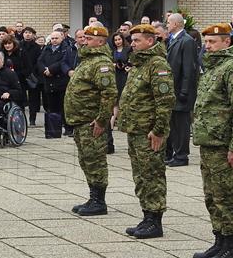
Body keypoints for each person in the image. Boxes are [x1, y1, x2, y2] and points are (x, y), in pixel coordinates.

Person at [190, 23, 233, 258]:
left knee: (226, 194)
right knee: (211, 194)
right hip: (208, 141)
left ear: (227, 42)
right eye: (206, 42)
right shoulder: (214, 67)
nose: (207, 46)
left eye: (212, 42)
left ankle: (231, 246)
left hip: (223, 143)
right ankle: (219, 239)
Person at [119, 24, 175, 238]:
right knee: (141, 175)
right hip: (136, 129)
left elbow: (164, 101)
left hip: (149, 131)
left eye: (137, 41)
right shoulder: (139, 63)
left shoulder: (157, 64)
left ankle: (155, 220)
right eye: (131, 41)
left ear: (150, 41)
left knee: (152, 174)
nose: (132, 44)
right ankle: (147, 215)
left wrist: (159, 130)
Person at [64, 24, 117, 215]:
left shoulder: (101, 63)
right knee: (86, 159)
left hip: (91, 121)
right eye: (83, 37)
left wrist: (102, 120)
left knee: (95, 160)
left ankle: (99, 201)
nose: (83, 40)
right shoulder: (87, 60)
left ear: (100, 41)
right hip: (81, 121)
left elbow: (108, 93)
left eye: (88, 38)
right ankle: (93, 196)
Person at [164, 12, 199, 167]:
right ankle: (176, 153)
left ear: (176, 24)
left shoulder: (187, 41)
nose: (166, 25)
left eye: (168, 23)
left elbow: (189, 68)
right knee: (174, 125)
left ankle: (182, 155)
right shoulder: (174, 40)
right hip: (174, 89)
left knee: (182, 125)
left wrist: (185, 90)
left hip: (181, 90)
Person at [36, 31, 72, 138]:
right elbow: (40, 61)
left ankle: (68, 128)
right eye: (52, 38)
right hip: (49, 81)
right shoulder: (47, 48)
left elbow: (63, 62)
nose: (54, 40)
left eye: (56, 38)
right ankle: (54, 130)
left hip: (61, 81)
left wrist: (51, 69)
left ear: (62, 38)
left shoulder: (66, 49)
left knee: (63, 107)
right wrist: (44, 70)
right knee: (52, 108)